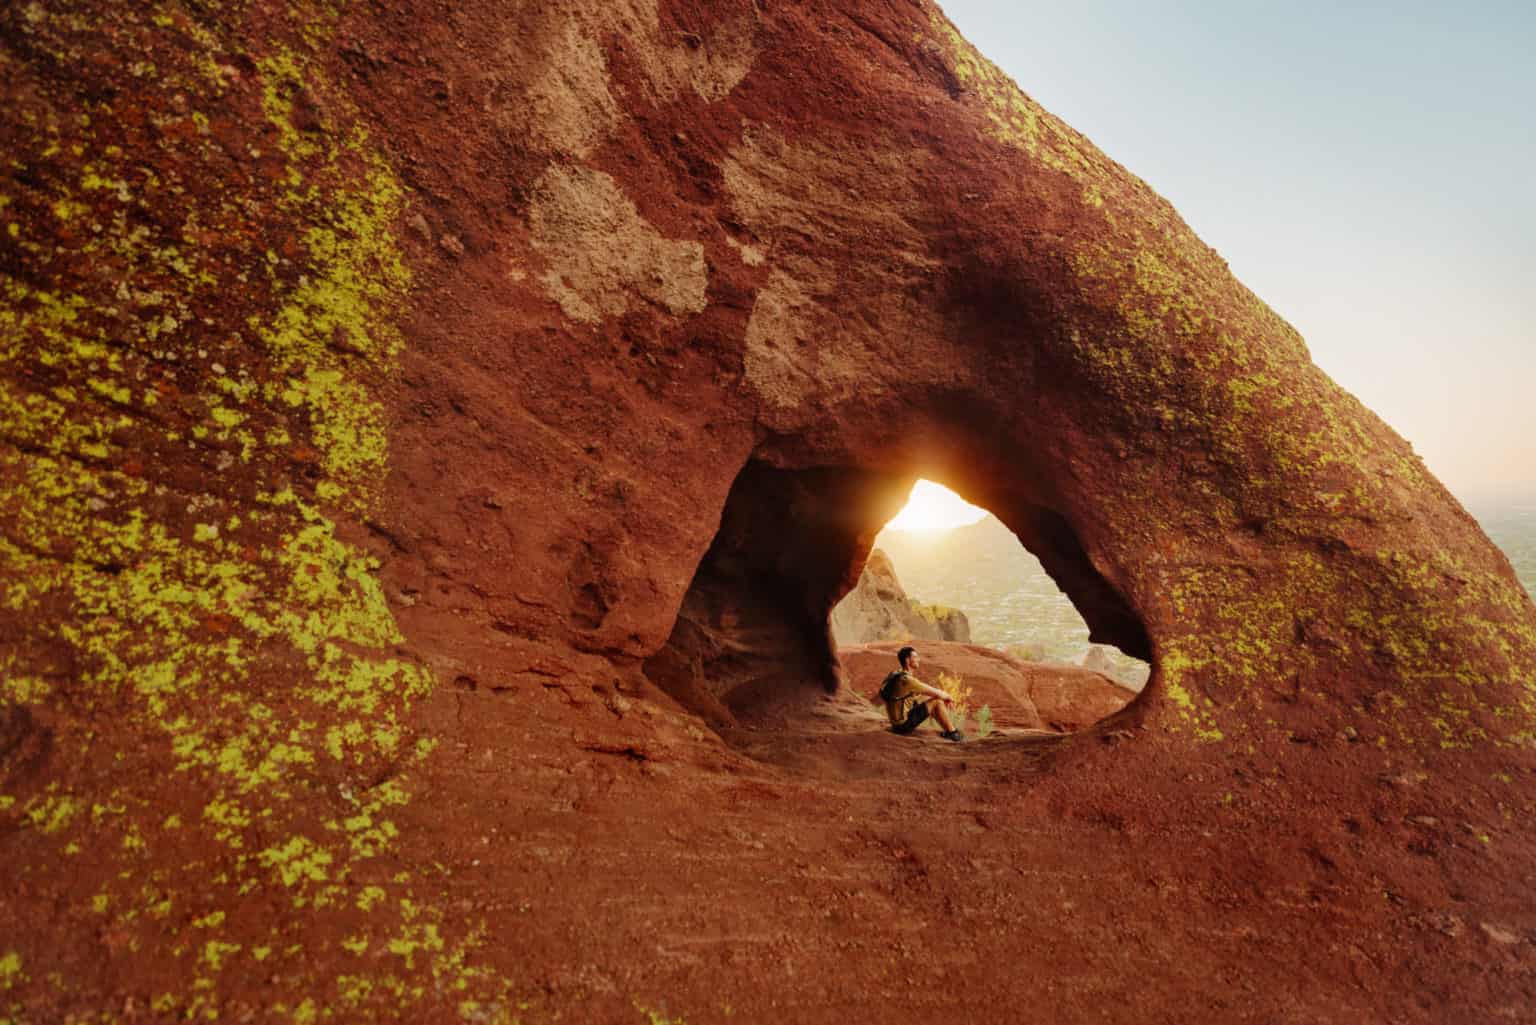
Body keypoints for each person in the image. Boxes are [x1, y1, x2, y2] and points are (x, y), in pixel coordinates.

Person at [879, 646, 964, 742]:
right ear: (907, 660)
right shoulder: (908, 680)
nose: (918, 659)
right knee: (937, 701)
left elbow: (921, 694)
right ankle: (953, 733)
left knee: (930, 698)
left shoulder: (896, 674)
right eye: (915, 657)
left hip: (896, 723)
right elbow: (937, 692)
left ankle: (948, 730)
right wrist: (948, 698)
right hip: (902, 726)